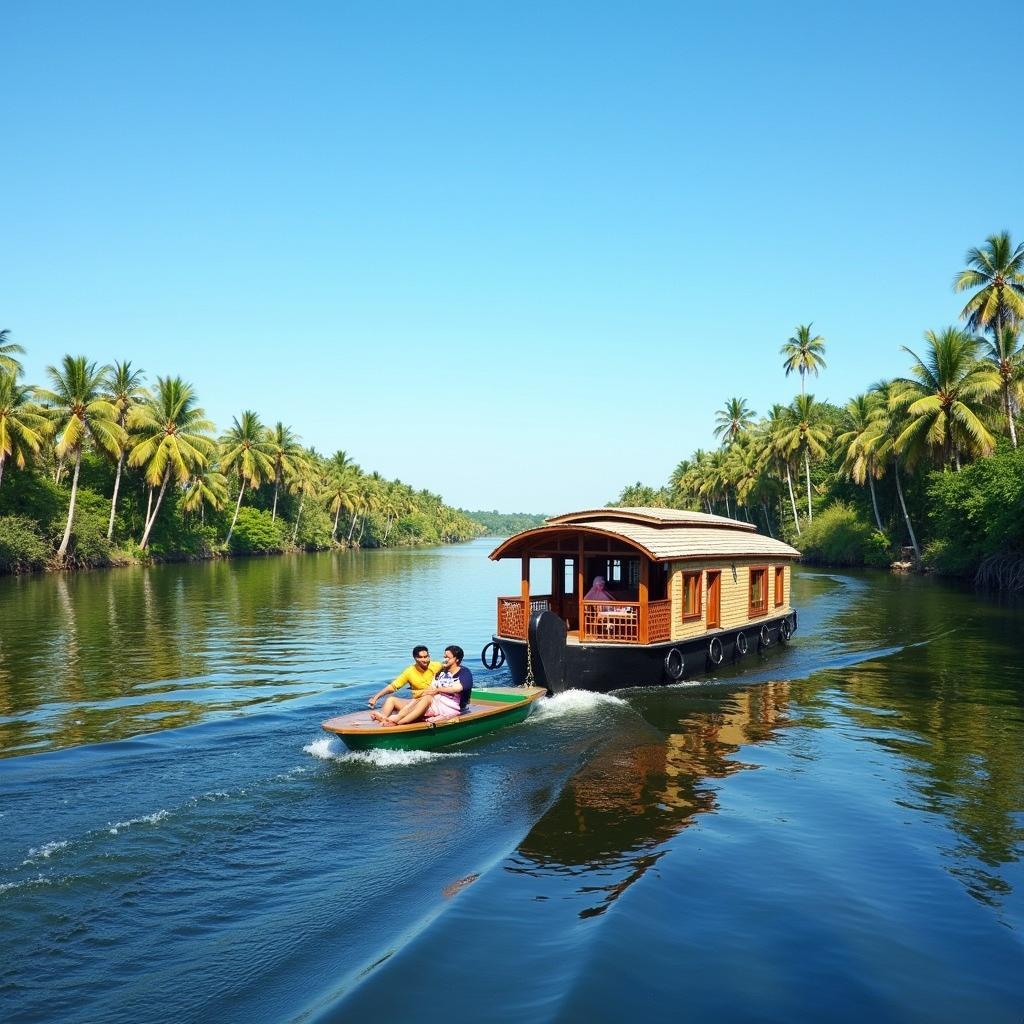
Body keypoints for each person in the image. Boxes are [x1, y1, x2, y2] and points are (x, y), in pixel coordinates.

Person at [381, 645, 473, 727]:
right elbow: (431, 687)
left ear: (456, 659)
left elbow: (457, 688)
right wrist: (419, 697)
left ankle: (399, 722)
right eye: (444, 656)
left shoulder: (464, 672)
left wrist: (437, 690)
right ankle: (385, 719)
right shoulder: (441, 672)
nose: (444, 659)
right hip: (434, 703)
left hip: (449, 706)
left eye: (448, 657)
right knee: (397, 700)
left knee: (426, 698)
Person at [368, 645, 440, 723]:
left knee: (426, 698)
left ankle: (393, 720)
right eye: (421, 657)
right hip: (415, 702)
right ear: (415, 658)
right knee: (391, 700)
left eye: (426, 657)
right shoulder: (409, 671)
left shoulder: (437, 666)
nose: (425, 660)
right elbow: (393, 686)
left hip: (431, 702)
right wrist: (376, 697)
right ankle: (383, 719)